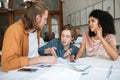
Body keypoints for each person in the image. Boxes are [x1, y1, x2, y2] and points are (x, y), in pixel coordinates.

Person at [1, 1, 57, 72]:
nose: (46, 22)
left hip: (36, 70)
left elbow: (33, 53)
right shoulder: (13, 31)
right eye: (45, 19)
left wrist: (47, 51)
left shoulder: (37, 30)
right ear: (37, 18)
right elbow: (6, 64)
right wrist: (40, 59)